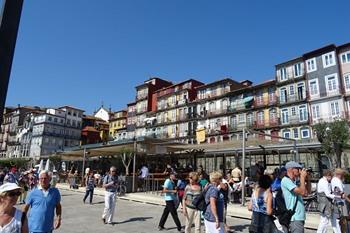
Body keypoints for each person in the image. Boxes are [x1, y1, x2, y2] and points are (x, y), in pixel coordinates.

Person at [281, 161, 310, 233]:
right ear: (291, 169)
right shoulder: (285, 180)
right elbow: (302, 192)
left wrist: (308, 179)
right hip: (294, 217)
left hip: (299, 216)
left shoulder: (293, 182)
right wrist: (302, 178)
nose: (300, 171)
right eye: (298, 169)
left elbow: (307, 193)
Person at [331, 168, 350, 233]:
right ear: (340, 174)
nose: (344, 176)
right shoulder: (337, 181)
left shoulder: (335, 180)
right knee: (343, 221)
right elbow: (341, 193)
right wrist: (349, 200)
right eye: (343, 175)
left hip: (339, 201)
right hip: (340, 202)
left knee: (340, 221)